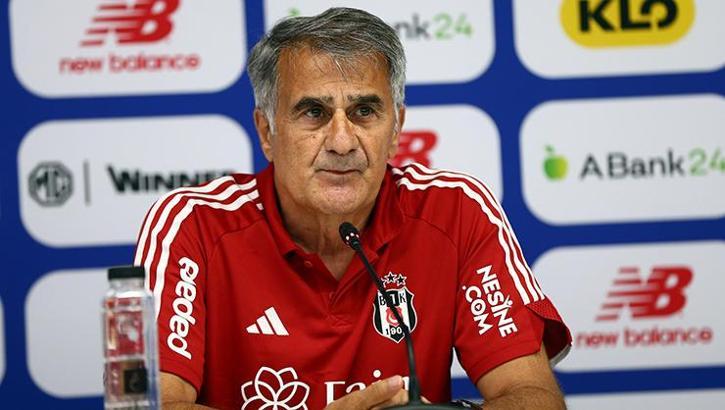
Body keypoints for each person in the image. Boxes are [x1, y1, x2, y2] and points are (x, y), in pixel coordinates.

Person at [134, 7, 571, 410]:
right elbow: (149, 405)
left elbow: (534, 397)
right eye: (313, 112)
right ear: (267, 132)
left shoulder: (455, 212)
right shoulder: (193, 225)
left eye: (364, 111)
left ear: (395, 129)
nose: (342, 142)